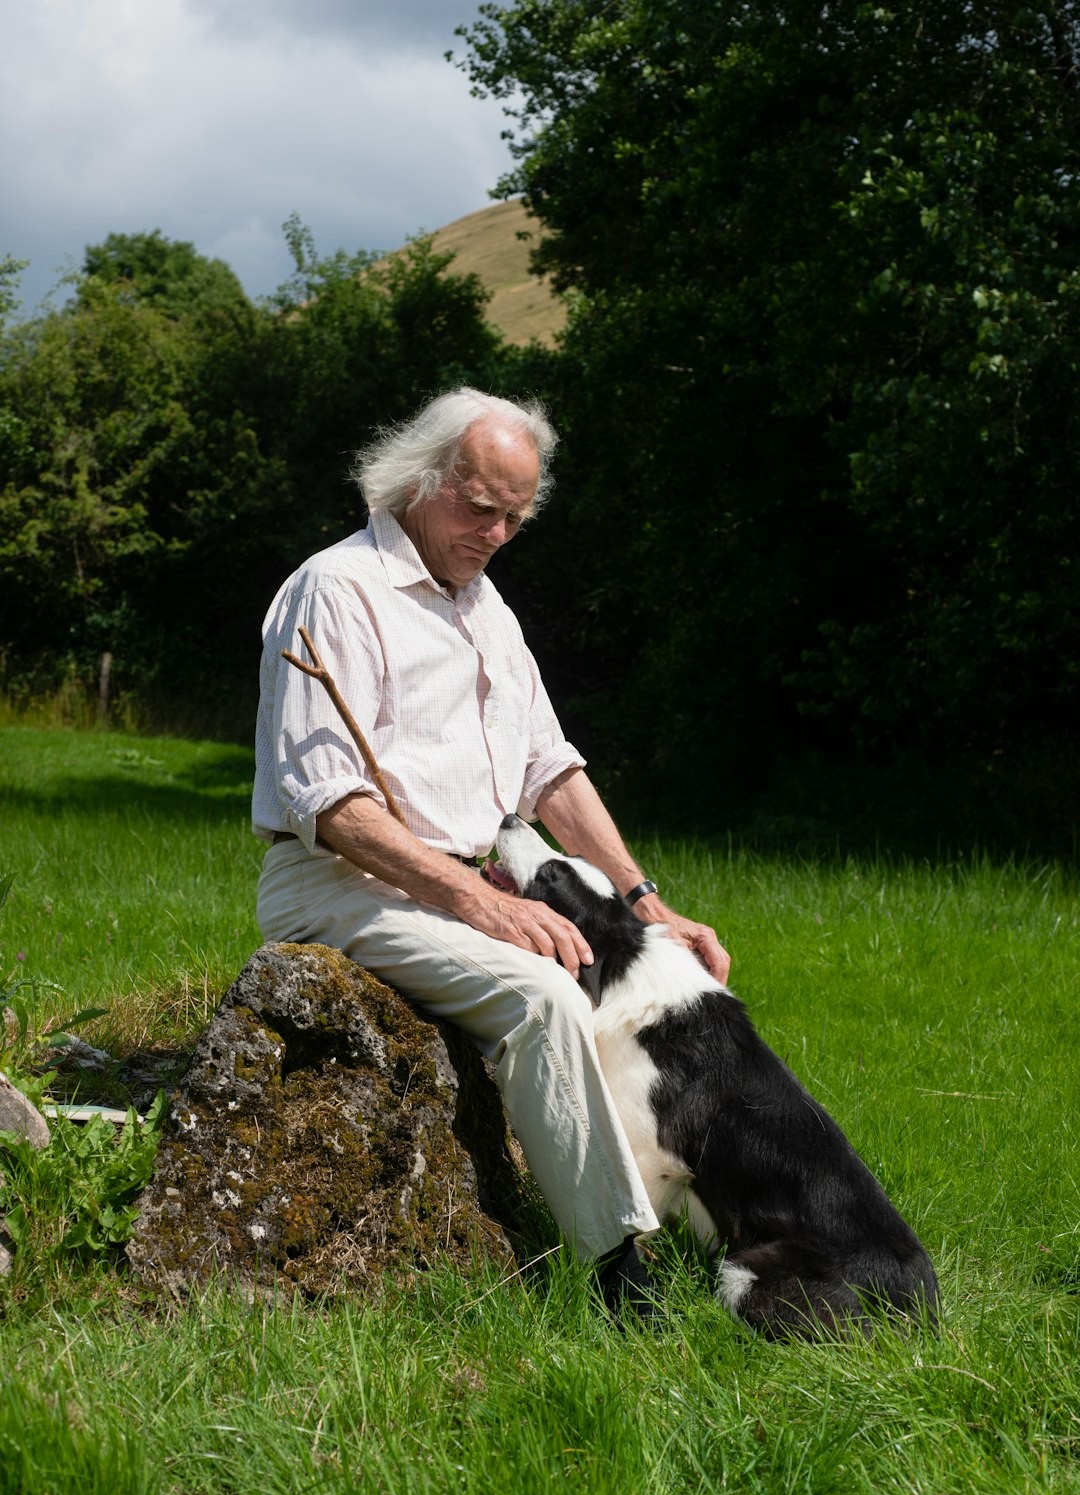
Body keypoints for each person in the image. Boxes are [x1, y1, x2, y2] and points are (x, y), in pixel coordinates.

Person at [253, 387, 730, 1316]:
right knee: (544, 994)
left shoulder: (487, 609)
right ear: (420, 482)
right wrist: (484, 904)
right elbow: (333, 806)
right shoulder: (336, 591)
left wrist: (649, 907)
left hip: (455, 885)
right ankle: (619, 1276)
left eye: (516, 517)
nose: (499, 532)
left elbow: (550, 773)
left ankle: (737, 1230)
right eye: (482, 509)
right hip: (339, 885)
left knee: (664, 976)